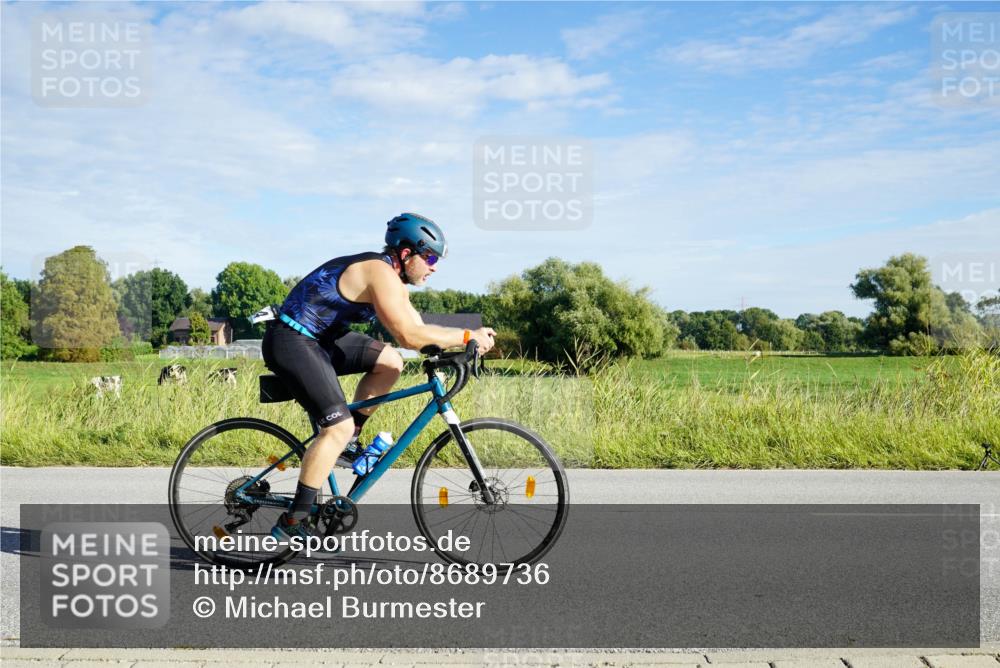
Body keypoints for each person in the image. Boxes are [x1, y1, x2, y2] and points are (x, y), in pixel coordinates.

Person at [262, 212, 496, 540]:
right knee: (335, 427)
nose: (433, 267)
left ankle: (349, 442)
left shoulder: (392, 281)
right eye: (428, 257)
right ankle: (293, 521)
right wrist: (466, 337)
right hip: (291, 339)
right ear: (405, 254)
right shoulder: (379, 272)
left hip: (320, 339)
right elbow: (408, 336)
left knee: (390, 361)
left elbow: (419, 329)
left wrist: (458, 341)